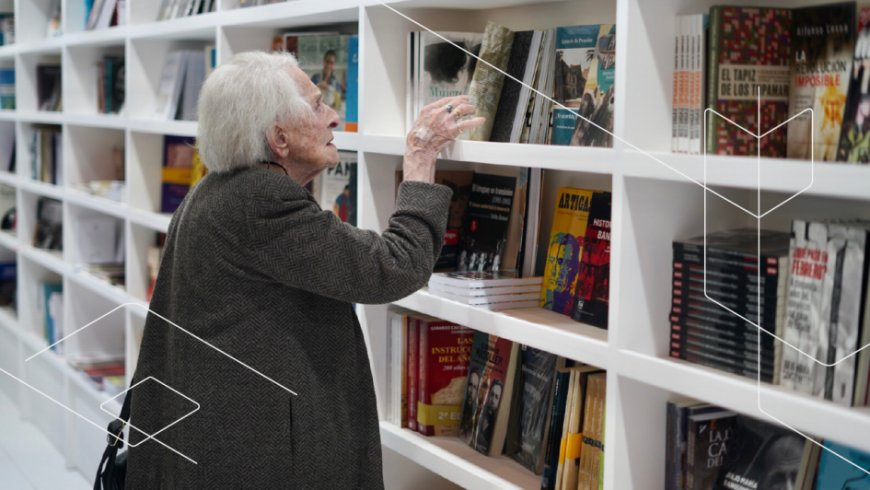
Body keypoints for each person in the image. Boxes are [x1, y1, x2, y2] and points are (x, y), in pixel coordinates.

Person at [125, 51, 484, 488]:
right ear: (279, 138)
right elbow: (395, 267)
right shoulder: (261, 200)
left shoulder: (215, 189)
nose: (334, 116)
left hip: (216, 440)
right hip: (256, 455)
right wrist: (421, 157)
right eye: (317, 105)